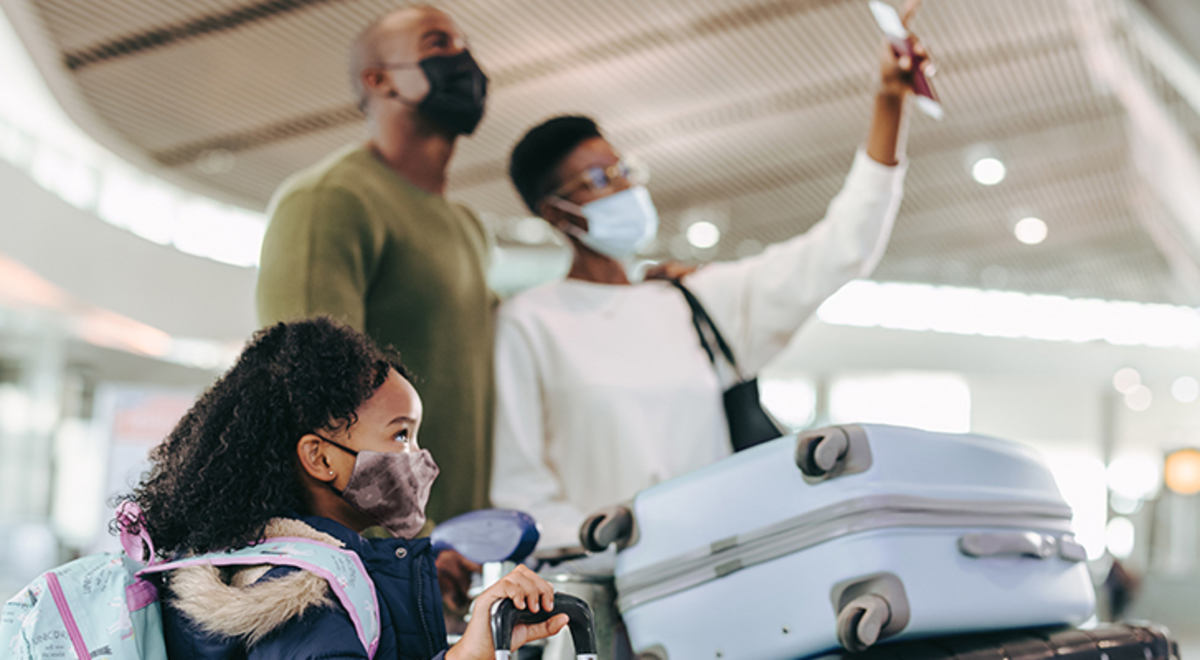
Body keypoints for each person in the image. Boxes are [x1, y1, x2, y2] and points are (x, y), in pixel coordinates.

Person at [492, 16, 930, 548]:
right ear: (556, 212)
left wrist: (889, 104)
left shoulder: (691, 300)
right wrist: (612, 544)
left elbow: (844, 247)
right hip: (610, 585)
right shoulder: (531, 323)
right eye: (598, 181)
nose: (624, 188)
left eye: (623, 169)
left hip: (724, 565)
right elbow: (521, 488)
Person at [120, 318, 567, 659]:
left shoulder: (281, 574)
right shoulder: (300, 600)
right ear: (320, 458)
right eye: (400, 435)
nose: (420, 458)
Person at [255, 5, 496, 537]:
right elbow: (304, 394)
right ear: (379, 79)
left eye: (463, 44)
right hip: (376, 557)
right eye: (439, 45)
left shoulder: (467, 226)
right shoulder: (330, 200)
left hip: (451, 553)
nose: (464, 60)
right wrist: (401, 539)